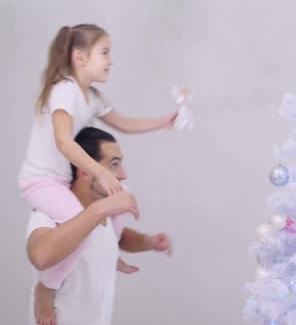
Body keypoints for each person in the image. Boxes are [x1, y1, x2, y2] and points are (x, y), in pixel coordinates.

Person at [18, 24, 177, 323]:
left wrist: (164, 122)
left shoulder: (93, 96)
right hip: (42, 180)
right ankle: (46, 289)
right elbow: (63, 142)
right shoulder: (63, 90)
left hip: (64, 179)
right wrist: (101, 176)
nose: (111, 60)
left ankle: (111, 258)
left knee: (112, 212)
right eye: (104, 52)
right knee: (88, 229)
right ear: (79, 57)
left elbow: (125, 124)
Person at [27, 127, 172, 325]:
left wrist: (150, 242)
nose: (123, 174)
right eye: (114, 165)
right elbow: (40, 256)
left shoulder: (106, 213)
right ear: (85, 170)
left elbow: (115, 238)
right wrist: (100, 209)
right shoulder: (50, 212)